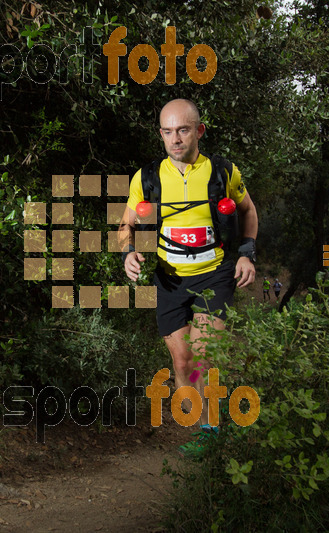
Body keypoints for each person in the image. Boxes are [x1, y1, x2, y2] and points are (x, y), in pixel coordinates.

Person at [118, 99, 258, 455]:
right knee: (182, 361)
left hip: (215, 274)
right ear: (161, 135)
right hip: (169, 279)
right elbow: (127, 223)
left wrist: (246, 253)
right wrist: (127, 252)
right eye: (167, 131)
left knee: (203, 352)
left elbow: (248, 210)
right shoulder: (147, 177)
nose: (175, 139)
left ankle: (211, 432)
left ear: (199, 131)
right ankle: (200, 423)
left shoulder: (223, 173)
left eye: (182, 130)